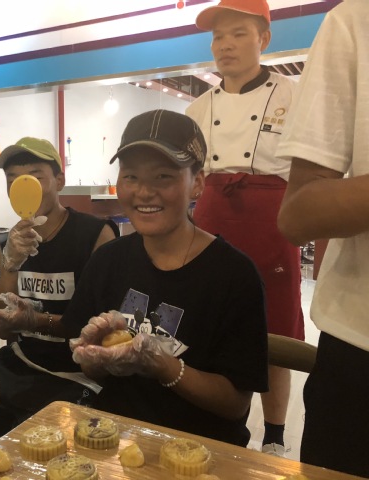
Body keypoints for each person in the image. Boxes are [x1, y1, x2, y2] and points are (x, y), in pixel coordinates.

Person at [66, 109, 268, 447]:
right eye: (131, 176)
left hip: (198, 450)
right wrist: (95, 355)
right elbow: (89, 369)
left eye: (163, 176)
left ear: (197, 183)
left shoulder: (235, 275)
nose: (144, 192)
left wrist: (161, 364)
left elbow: (235, 404)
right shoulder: (107, 261)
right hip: (112, 440)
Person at [0, 137, 118, 478]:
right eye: (13, 179)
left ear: (59, 181)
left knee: (40, 455)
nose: (23, 186)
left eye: (35, 176)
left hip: (75, 375)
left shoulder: (95, 234)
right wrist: (10, 264)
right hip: (18, 363)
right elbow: (4, 328)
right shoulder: (14, 239)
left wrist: (35, 320)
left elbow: (98, 331)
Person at [185, 0, 301, 455]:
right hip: (212, 218)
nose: (225, 45)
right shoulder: (197, 108)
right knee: (210, 324)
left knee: (275, 335)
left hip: (274, 223)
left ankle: (274, 437)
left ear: (264, 39)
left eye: (238, 33)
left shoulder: (293, 95)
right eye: (218, 36)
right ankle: (216, 422)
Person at [275, 1, 369, 476]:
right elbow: (298, 212)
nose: (224, 44)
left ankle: (273, 433)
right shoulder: (355, 20)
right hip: (359, 344)